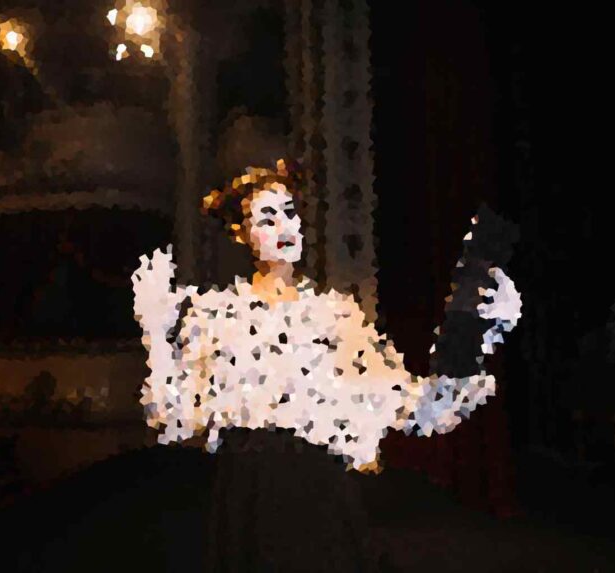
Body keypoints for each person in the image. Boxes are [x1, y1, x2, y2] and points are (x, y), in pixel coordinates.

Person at [131, 159, 522, 572]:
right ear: (242, 234)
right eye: (267, 218)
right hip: (249, 495)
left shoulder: (335, 317)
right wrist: (154, 330)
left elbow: (415, 407)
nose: (284, 226)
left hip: (321, 495)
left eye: (289, 213)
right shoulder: (217, 317)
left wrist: (478, 330)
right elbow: (172, 417)